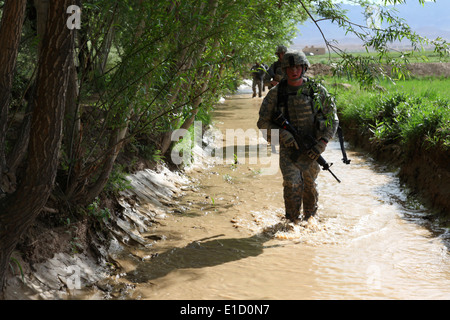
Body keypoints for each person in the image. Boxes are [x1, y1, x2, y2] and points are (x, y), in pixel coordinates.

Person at [257, 51, 339, 223]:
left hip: (312, 148)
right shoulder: (276, 94)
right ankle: (291, 222)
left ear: (304, 68)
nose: (294, 71)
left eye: (297, 67)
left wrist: (322, 143)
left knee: (309, 185)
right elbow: (262, 123)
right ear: (284, 70)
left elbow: (333, 120)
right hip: (289, 150)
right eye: (290, 67)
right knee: (292, 184)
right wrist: (282, 134)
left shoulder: (317, 91)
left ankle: (310, 221)